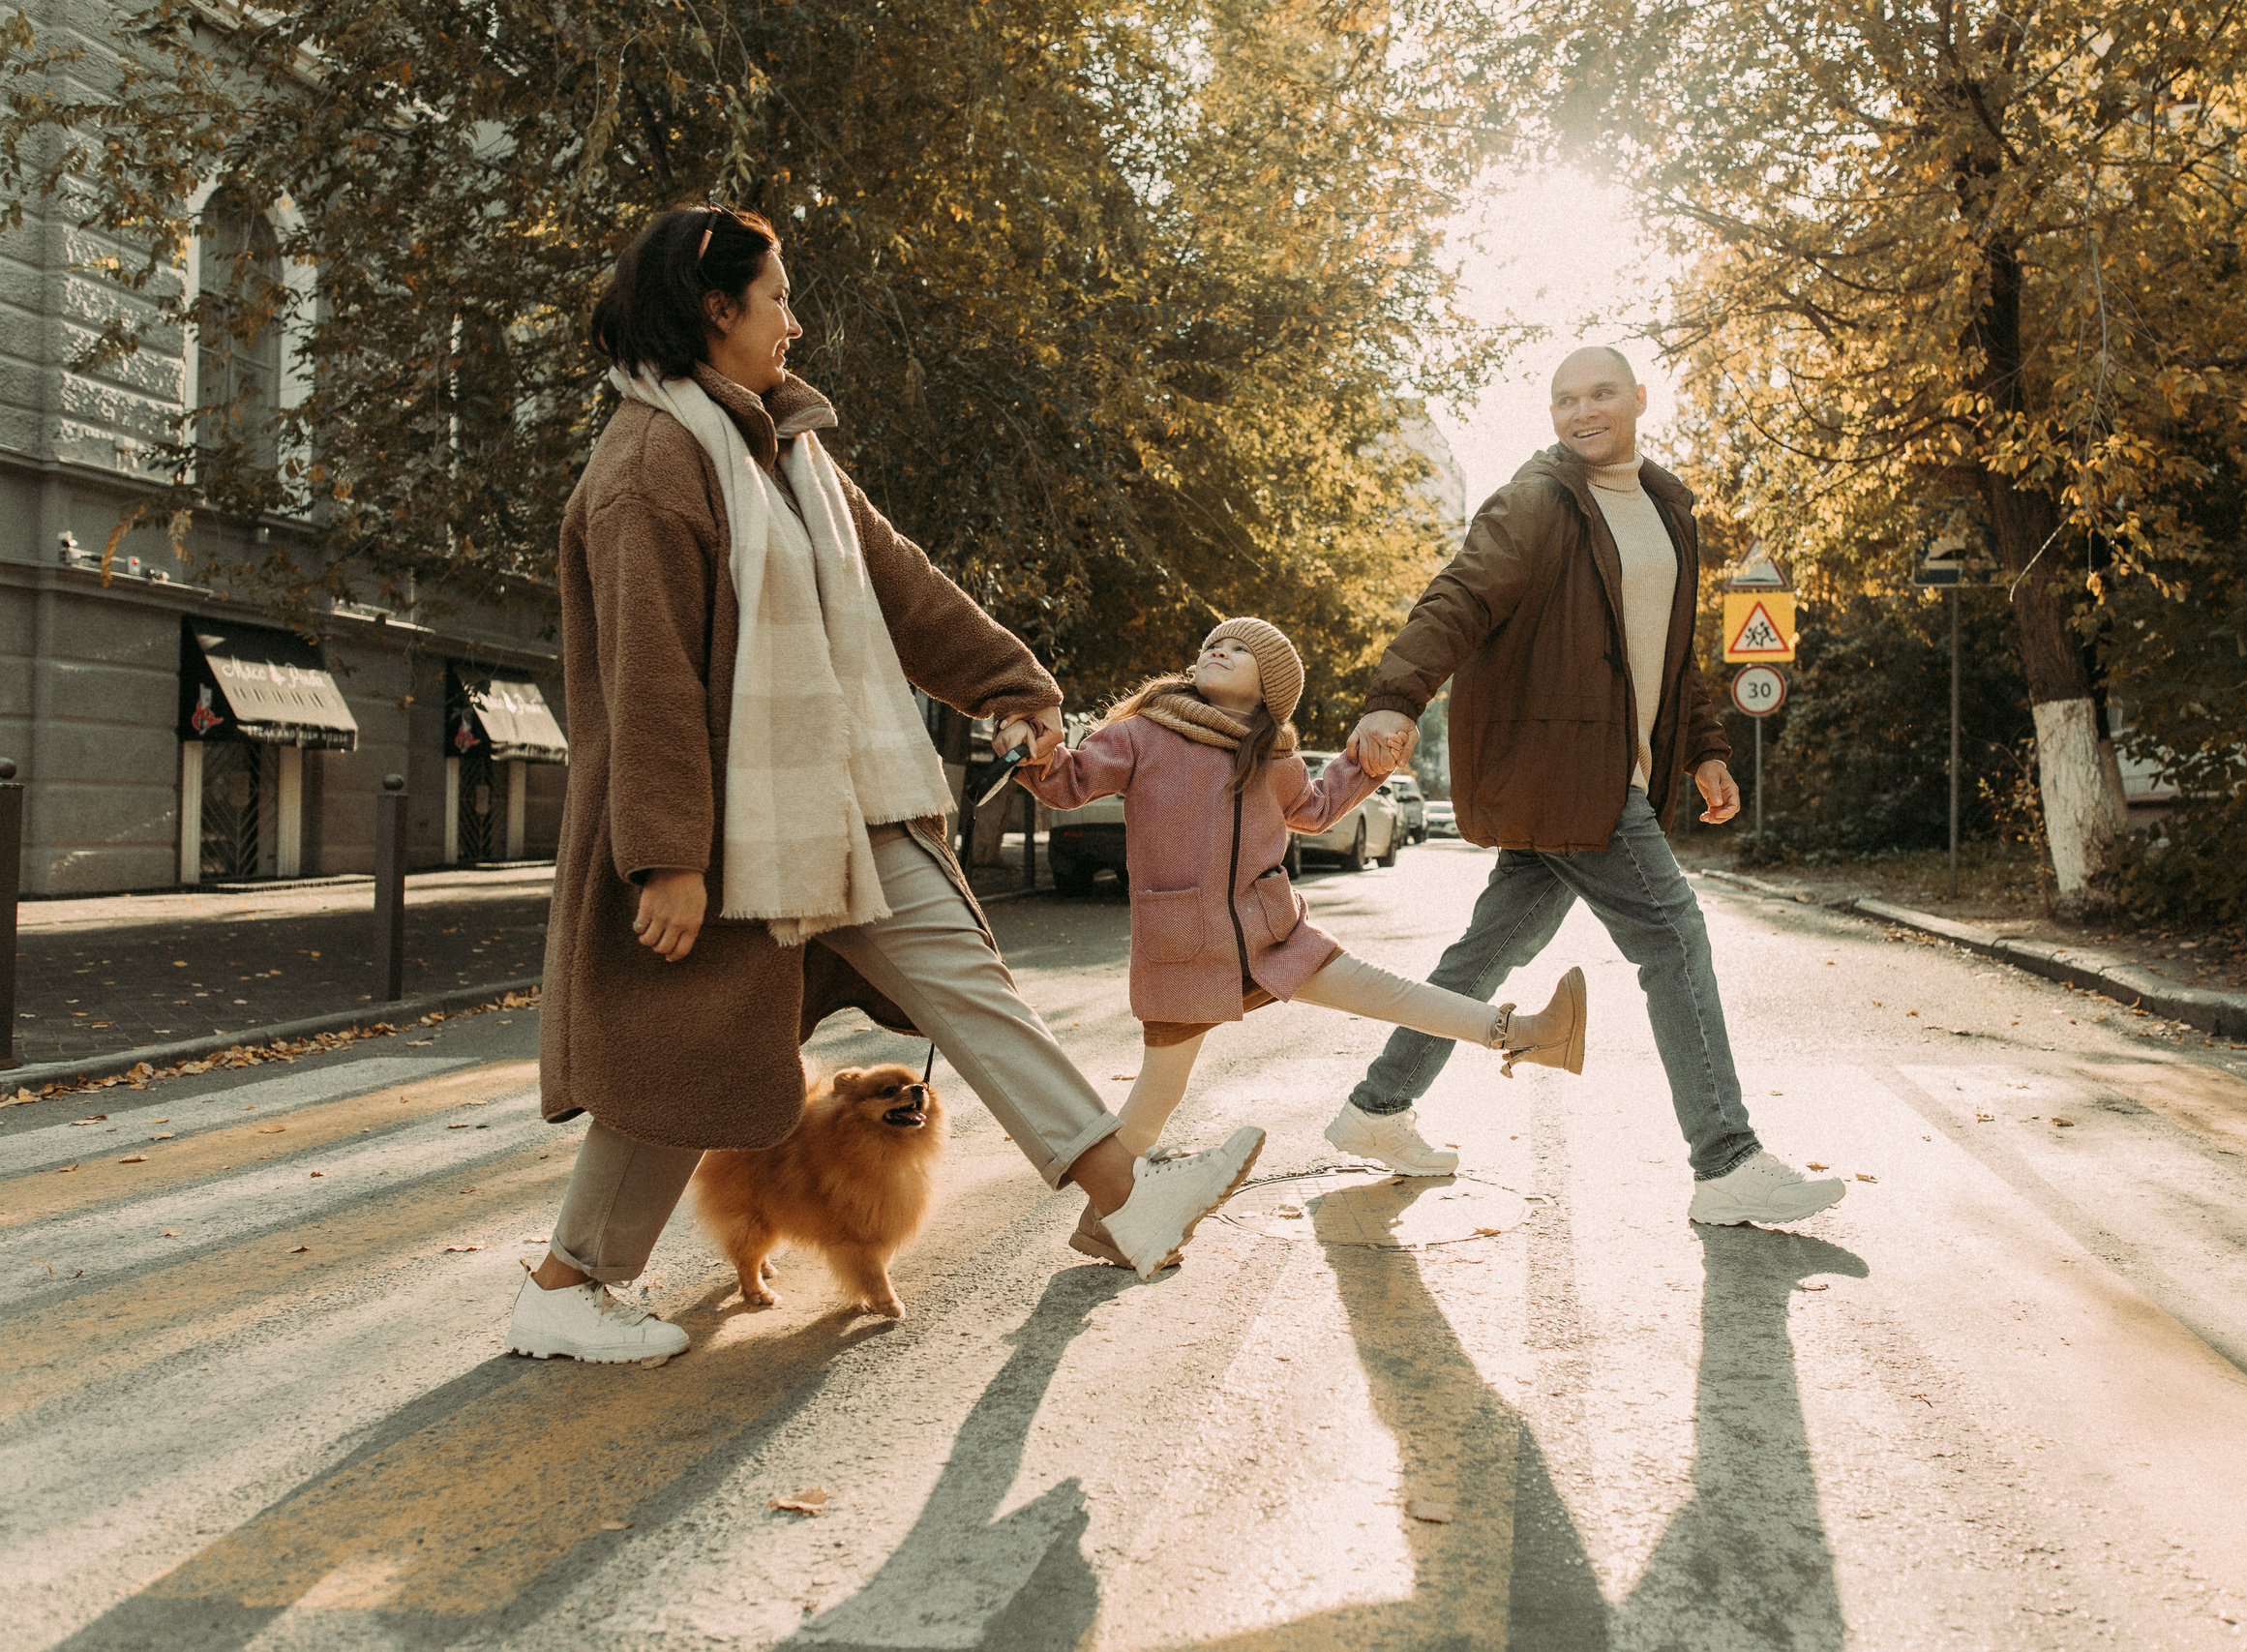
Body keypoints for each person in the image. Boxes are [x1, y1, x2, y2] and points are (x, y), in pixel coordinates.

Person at [510, 205, 1265, 1364]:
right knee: (686, 1060)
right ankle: (568, 1285)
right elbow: (646, 679)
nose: (794, 322)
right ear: (717, 310)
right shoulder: (648, 468)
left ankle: (1125, 1194)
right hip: (732, 827)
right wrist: (666, 854)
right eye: (778, 299)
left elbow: (898, 581)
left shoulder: (788, 451)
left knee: (970, 987)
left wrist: (1011, 684)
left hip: (848, 798)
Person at [1336, 346, 1844, 1226]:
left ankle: (1376, 1108)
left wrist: (1705, 749)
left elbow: (1671, 654)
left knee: (1482, 956)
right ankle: (1726, 1160)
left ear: (1639, 398)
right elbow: (1456, 597)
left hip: (1604, 773)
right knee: (1674, 938)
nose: (1582, 412)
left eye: (1600, 393)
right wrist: (1396, 695)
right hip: (1568, 768)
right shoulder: (1537, 502)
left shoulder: (1667, 508)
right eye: (1565, 399)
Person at [1014, 617, 1586, 1262]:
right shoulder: (1145, 733)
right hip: (1185, 949)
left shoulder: (1271, 754)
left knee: (1389, 993)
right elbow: (1070, 781)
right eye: (1210, 646)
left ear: (1268, 687)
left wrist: (1366, 764)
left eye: (1238, 650)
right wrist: (1033, 748)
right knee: (1156, 1098)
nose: (1217, 652)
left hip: (1275, 935)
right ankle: (1105, 1221)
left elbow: (1315, 807)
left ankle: (1525, 1033)